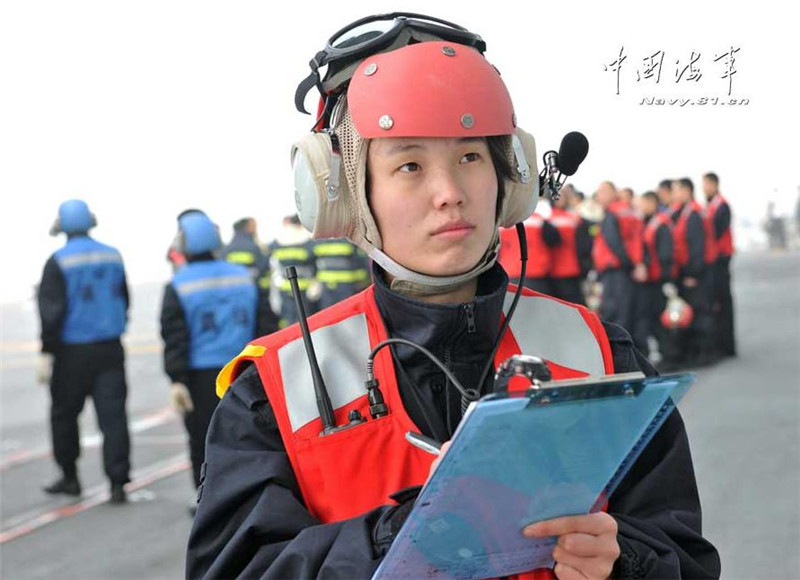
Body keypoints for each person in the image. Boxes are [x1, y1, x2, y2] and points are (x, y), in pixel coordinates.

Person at [186, 14, 719, 580]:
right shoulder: (273, 394)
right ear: (341, 195)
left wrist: (627, 562)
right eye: (410, 165)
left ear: (510, 178)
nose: (450, 195)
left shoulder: (601, 354)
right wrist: (388, 541)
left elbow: (685, 555)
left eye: (470, 157)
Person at [159, 212, 276, 498]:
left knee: (203, 440)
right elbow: (266, 326)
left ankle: (207, 500)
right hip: (244, 372)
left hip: (201, 378)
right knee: (253, 437)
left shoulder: (178, 285)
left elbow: (174, 337)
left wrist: (177, 379)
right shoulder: (244, 277)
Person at [37, 199, 131, 504]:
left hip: (71, 352)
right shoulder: (113, 255)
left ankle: (71, 478)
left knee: (64, 415)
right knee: (113, 417)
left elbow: (52, 311)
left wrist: (46, 350)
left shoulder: (59, 261)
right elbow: (123, 299)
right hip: (110, 348)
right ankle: (118, 483)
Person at [670, 178, 716, 367]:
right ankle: (697, 352)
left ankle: (704, 353)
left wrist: (693, 274)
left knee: (701, 312)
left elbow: (697, 246)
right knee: (694, 313)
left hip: (698, 274)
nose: (674, 195)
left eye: (677, 190)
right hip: (692, 272)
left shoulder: (694, 214)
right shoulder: (686, 212)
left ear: (687, 191)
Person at [592, 181, 647, 333]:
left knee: (615, 314)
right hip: (626, 269)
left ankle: (617, 354)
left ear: (612, 193)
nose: (599, 196)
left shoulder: (613, 212)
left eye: (602, 192)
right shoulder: (629, 211)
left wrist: (629, 265)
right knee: (626, 313)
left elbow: (614, 242)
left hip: (616, 271)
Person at [632, 191, 675, 365]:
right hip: (649, 281)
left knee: (660, 320)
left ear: (652, 203)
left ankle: (669, 355)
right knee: (650, 320)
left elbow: (665, 254)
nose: (640, 207)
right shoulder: (648, 222)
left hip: (657, 281)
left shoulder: (660, 224)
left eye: (643, 203)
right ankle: (659, 354)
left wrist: (665, 279)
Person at [703, 173, 737, 358]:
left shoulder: (721, 206)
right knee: (718, 303)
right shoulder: (711, 206)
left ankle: (728, 346)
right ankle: (721, 343)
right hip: (714, 260)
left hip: (721, 260)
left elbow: (715, 232)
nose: (704, 188)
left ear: (715, 184)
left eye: (707, 184)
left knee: (724, 302)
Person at [267, 214, 320, 327]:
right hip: (304, 289)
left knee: (287, 322)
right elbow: (314, 265)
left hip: (284, 288)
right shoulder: (306, 239)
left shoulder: (278, 240)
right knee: (306, 324)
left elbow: (272, 264)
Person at [498, 209, 559, 294]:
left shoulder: (502, 222)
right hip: (535, 274)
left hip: (509, 273)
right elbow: (555, 240)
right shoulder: (539, 220)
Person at [549, 189, 591, 305]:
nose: (560, 199)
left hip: (569, 269)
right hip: (553, 269)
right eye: (558, 196)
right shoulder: (547, 217)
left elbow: (584, 243)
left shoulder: (574, 218)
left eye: (563, 196)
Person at [312, 238, 371, 309]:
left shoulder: (319, 240)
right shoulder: (350, 240)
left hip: (342, 286)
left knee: (341, 312)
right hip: (334, 286)